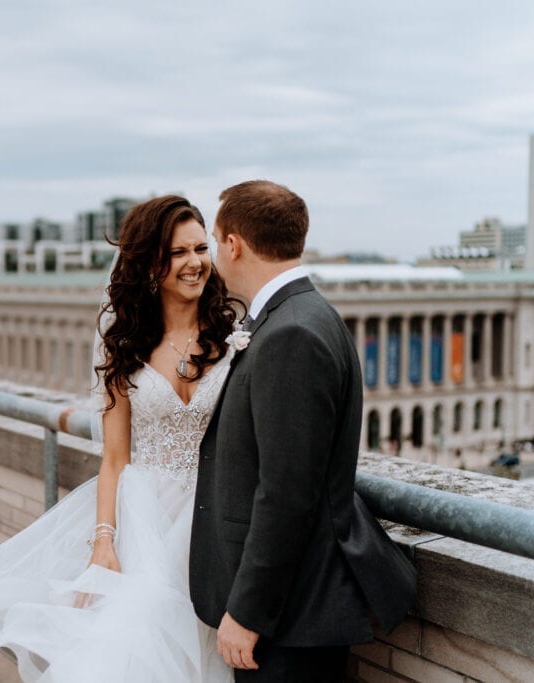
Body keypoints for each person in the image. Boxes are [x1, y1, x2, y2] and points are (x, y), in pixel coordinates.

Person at [0, 195, 239, 681]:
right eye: (178, 252)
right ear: (150, 263)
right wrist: (104, 542)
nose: (194, 263)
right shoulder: (126, 346)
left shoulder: (233, 337)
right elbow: (115, 459)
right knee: (134, 649)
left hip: (213, 517)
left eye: (201, 249)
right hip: (147, 519)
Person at [189, 180, 417, 681]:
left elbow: (287, 493)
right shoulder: (301, 315)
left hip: (288, 618)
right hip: (293, 612)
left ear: (234, 244)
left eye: (213, 238)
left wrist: (248, 612)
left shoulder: (290, 332)